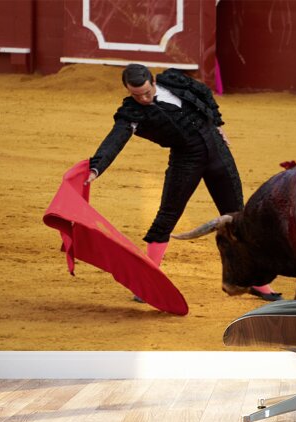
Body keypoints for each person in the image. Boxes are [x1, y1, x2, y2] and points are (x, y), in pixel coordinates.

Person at [85, 64, 282, 301]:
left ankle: (258, 282)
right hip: (186, 160)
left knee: (236, 217)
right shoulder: (132, 112)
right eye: (136, 95)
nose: (144, 99)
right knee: (166, 216)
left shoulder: (173, 81)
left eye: (147, 93)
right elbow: (114, 140)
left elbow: (204, 93)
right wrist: (97, 167)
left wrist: (217, 123)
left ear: (153, 81)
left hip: (218, 153)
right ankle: (148, 279)